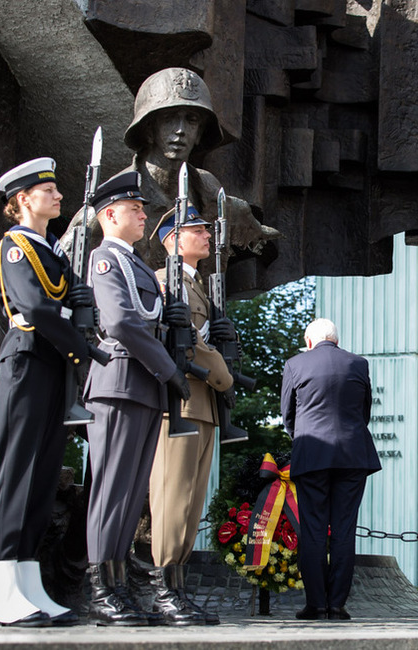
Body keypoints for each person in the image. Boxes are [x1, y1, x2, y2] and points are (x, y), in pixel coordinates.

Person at [0, 158, 92, 626]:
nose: (58, 196)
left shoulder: (53, 250)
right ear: (23, 199)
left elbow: (61, 303)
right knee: (15, 477)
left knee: (43, 478)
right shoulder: (16, 245)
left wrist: (79, 302)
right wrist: (83, 346)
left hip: (51, 367)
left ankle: (29, 585)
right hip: (27, 360)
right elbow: (34, 306)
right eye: (48, 190)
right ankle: (4, 590)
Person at [83, 172, 192, 626]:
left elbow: (149, 319)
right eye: (135, 209)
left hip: (143, 387)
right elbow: (121, 322)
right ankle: (100, 589)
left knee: (130, 496)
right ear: (110, 214)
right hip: (119, 381)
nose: (144, 215)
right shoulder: (105, 260)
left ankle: (119, 584)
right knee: (111, 489)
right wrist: (168, 369)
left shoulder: (140, 266)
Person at [59, 67, 279, 273]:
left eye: (191, 121)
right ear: (148, 129)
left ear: (200, 132)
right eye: (168, 119)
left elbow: (235, 214)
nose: (180, 130)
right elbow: (62, 263)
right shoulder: (113, 204)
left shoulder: (209, 190)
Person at [147, 206, 234, 625]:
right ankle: (164, 590)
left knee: (191, 504)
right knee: (172, 500)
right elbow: (187, 344)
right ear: (172, 238)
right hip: (179, 404)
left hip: (202, 407)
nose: (206, 236)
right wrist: (225, 374)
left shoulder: (196, 286)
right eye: (197, 230)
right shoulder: (167, 282)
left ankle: (176, 588)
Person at [280, 318, 381, 620]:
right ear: (336, 339)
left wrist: (303, 439)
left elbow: (287, 414)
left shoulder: (295, 364)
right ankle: (337, 604)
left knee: (312, 530)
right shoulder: (358, 364)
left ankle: (316, 603)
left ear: (309, 341)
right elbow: (365, 411)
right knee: (344, 530)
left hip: (311, 455)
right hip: (352, 455)